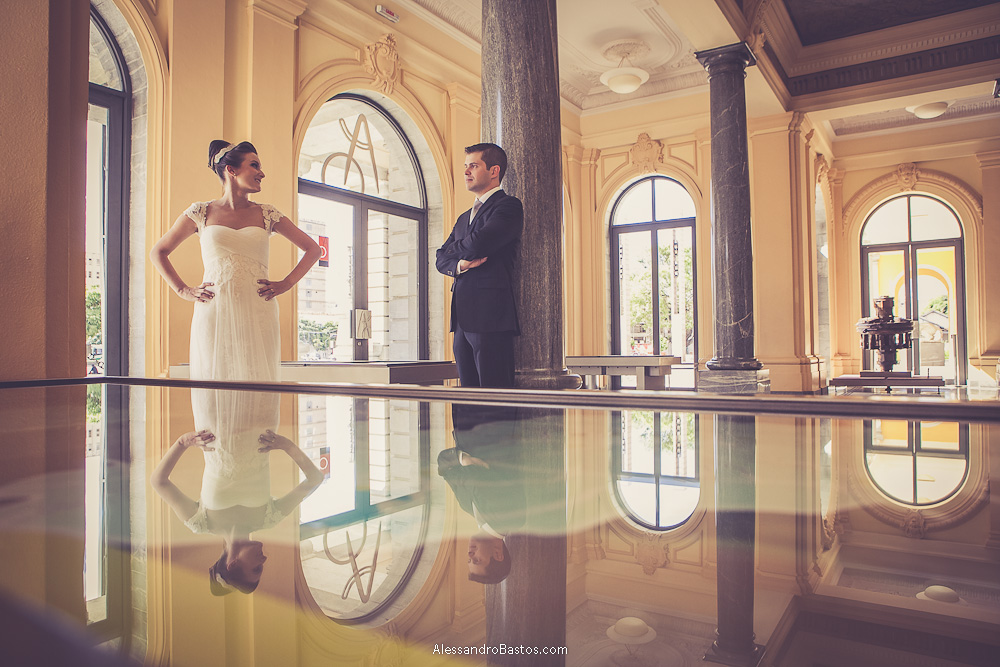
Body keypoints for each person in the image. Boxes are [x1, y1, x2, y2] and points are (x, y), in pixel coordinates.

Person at [150, 140, 322, 381]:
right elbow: (158, 251)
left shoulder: (267, 213)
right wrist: (183, 290)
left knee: (258, 383)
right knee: (215, 383)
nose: (262, 173)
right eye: (254, 165)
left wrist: (287, 283)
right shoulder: (201, 212)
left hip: (258, 310)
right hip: (214, 311)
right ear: (231, 170)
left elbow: (313, 249)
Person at [151, 390, 325, 595]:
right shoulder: (269, 518)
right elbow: (315, 479)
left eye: (256, 568)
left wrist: (182, 443)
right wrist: (286, 445)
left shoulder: (201, 522)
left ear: (232, 564)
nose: (264, 560)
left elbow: (158, 482)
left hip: (215, 420)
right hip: (259, 419)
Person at [435, 143, 523, 388]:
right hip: (462, 321)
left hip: (491, 319)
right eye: (465, 167)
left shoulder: (509, 206)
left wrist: (457, 250)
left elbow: (479, 244)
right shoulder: (464, 217)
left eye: (473, 166)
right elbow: (441, 258)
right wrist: (461, 264)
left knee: (495, 400)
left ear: (494, 171)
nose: (466, 172)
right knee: (467, 401)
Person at [437, 404, 524, 584]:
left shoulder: (467, 507)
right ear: (498, 554)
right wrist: (464, 465)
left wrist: (464, 460)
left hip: (464, 419)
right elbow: (475, 475)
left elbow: (442, 462)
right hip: (495, 417)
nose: (469, 554)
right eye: (477, 560)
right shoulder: (513, 518)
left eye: (469, 560)